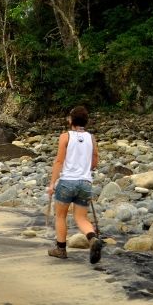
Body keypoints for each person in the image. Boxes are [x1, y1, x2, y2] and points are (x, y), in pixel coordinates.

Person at [46, 105, 103, 263]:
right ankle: (92, 239)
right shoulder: (91, 138)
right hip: (85, 182)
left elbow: (59, 161)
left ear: (71, 120)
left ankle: (61, 249)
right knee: (81, 218)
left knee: (61, 216)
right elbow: (95, 159)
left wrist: (52, 184)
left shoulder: (65, 136)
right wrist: (86, 170)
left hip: (67, 182)